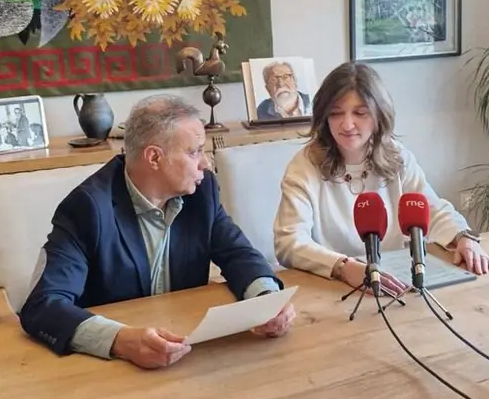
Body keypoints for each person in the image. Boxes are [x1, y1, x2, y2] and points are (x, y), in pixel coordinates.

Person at [21, 94, 296, 369]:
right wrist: (120, 340)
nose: (206, 164)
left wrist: (266, 300)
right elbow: (44, 305)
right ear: (154, 157)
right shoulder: (87, 208)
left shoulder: (202, 192)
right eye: (194, 151)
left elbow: (239, 254)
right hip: (110, 369)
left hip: (187, 353)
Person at [273, 62, 489, 296]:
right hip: (331, 288)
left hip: (393, 285)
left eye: (360, 113)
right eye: (336, 113)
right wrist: (344, 267)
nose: (347, 124)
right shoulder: (304, 166)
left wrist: (463, 237)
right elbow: (289, 242)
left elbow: (431, 209)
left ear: (379, 114)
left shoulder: (396, 156)